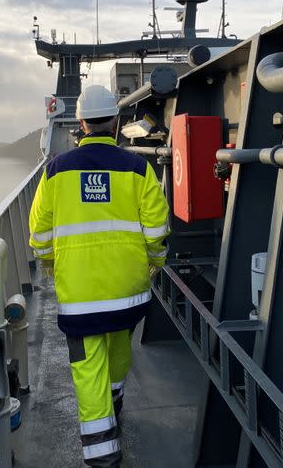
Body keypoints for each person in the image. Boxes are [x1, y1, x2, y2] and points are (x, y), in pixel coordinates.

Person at [28, 84, 170, 467]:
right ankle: (116, 399)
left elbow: (39, 233)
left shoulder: (55, 170)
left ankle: (102, 455)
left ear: (81, 124)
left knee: (88, 366)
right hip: (130, 291)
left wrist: (49, 263)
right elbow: (157, 230)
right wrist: (154, 262)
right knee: (119, 344)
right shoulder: (140, 168)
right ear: (116, 120)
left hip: (81, 295)